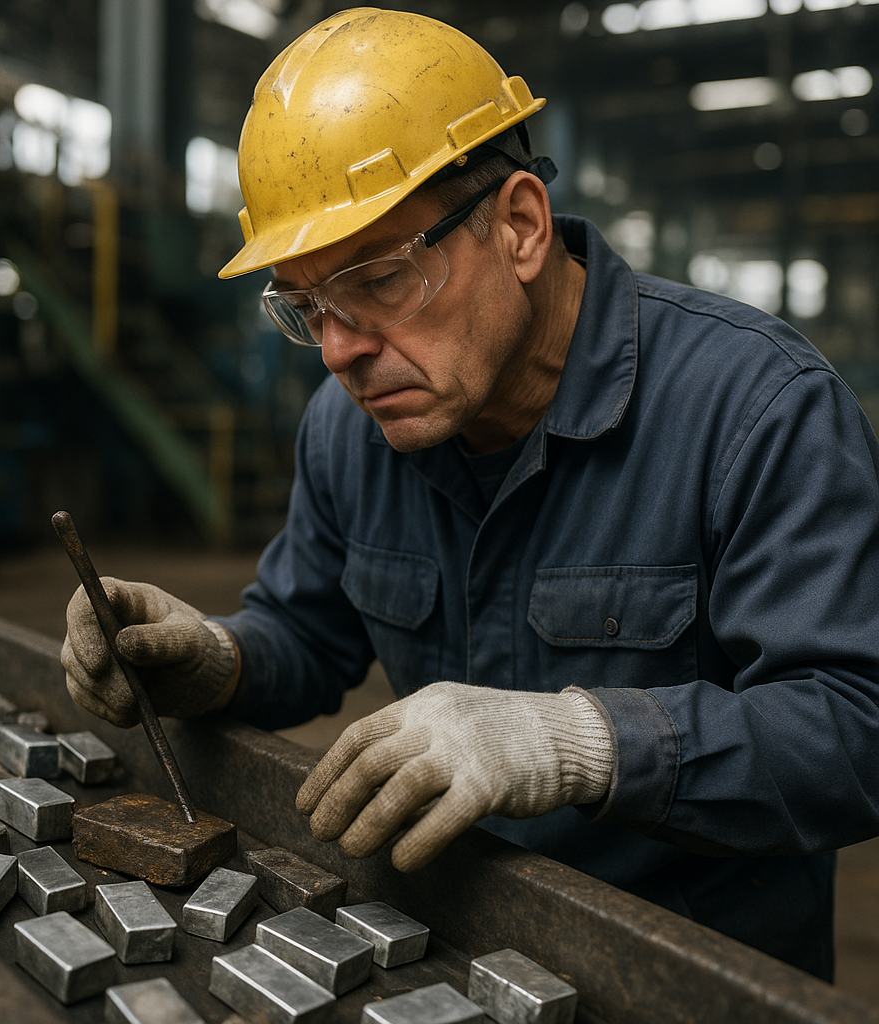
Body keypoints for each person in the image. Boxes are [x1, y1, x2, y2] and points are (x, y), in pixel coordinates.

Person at [61, 7, 879, 980]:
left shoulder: (753, 406)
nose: (339, 349)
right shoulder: (347, 425)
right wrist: (214, 655)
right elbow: (311, 634)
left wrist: (578, 742)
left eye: (376, 279)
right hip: (447, 952)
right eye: (307, 304)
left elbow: (853, 726)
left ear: (521, 226)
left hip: (683, 974)